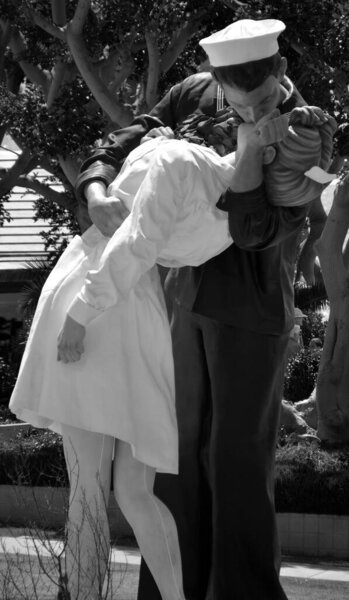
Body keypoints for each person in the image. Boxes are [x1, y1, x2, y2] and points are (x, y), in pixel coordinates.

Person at [74, 18, 333, 600]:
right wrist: (95, 187)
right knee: (173, 456)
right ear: (217, 82)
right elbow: (128, 136)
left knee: (235, 461)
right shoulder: (193, 92)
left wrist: (248, 161)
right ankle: (173, 591)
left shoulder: (308, 133)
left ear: (281, 72)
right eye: (238, 104)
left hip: (250, 306)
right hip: (180, 299)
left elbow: (259, 231)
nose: (250, 115)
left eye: (262, 101)